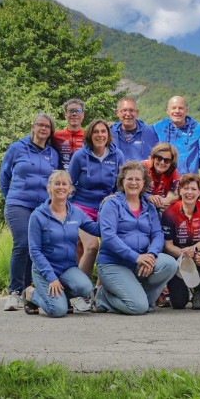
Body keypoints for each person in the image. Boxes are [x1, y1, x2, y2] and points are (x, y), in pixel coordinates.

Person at [94, 161, 178, 314]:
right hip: (113, 264)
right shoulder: (112, 203)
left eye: (138, 179)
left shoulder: (149, 205)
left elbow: (158, 234)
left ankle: (145, 301)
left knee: (170, 264)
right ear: (122, 181)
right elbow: (109, 237)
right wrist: (136, 257)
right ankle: (103, 297)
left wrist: (151, 255)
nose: (133, 183)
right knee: (137, 307)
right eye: (129, 179)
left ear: (144, 182)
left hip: (140, 262)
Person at [0, 113, 60, 311]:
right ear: (33, 126)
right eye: (40, 125)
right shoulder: (17, 148)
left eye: (47, 126)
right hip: (18, 203)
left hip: (42, 207)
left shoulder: (53, 154)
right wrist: (11, 198)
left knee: (36, 247)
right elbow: (4, 177)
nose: (43, 129)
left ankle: (28, 291)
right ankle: (14, 292)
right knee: (23, 243)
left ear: (50, 131)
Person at [24, 171, 99, 317]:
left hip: (67, 268)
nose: (61, 187)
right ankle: (31, 294)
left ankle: (60, 297)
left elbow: (97, 229)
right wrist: (51, 278)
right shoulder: (38, 216)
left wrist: (108, 207)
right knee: (58, 310)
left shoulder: (76, 212)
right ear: (49, 188)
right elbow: (35, 251)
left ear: (70, 189)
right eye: (57, 183)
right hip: (45, 269)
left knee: (86, 288)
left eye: (65, 184)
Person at [68, 118, 124, 311]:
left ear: (108, 135)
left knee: (109, 245)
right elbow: (69, 184)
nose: (100, 135)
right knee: (91, 246)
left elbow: (122, 185)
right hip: (82, 206)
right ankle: (81, 292)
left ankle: (98, 292)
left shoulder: (117, 155)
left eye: (103, 131)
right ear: (90, 135)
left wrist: (114, 198)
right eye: (96, 132)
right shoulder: (79, 156)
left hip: (106, 206)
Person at [162, 174, 200, 310]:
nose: (189, 192)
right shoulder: (169, 213)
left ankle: (199, 292)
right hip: (177, 254)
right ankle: (182, 288)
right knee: (178, 303)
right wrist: (186, 255)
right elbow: (167, 245)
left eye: (193, 189)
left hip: (197, 251)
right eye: (185, 188)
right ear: (180, 190)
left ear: (199, 192)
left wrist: (194, 250)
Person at [153, 96, 200, 175]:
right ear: (167, 111)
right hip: (163, 178)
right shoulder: (158, 127)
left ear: (186, 111)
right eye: (173, 108)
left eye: (180, 108)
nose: (177, 111)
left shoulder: (198, 129)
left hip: (188, 179)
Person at [111, 97, 159, 161]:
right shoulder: (110, 133)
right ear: (117, 113)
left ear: (137, 112)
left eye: (131, 110)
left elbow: (157, 156)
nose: (128, 114)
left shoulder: (150, 132)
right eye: (124, 110)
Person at [143, 143, 180, 210]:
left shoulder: (173, 172)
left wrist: (168, 200)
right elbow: (129, 189)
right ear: (153, 158)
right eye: (159, 158)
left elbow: (180, 194)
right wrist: (148, 196)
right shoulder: (142, 167)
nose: (162, 162)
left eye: (167, 160)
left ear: (171, 163)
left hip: (158, 207)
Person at [52, 98, 85, 169]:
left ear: (83, 115)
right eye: (71, 111)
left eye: (78, 111)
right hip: (62, 175)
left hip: (82, 175)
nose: (74, 114)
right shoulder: (56, 136)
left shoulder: (88, 136)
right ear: (65, 115)